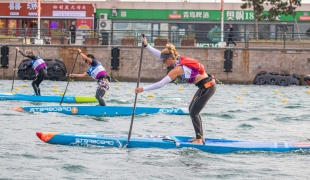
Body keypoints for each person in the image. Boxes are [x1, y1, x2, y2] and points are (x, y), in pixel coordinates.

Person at [135, 37, 216, 144]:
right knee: (192, 110)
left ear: (169, 59)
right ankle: (200, 137)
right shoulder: (178, 59)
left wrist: (143, 89)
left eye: (164, 61)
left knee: (194, 112)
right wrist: (146, 45)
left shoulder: (177, 69)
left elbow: (161, 84)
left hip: (208, 86)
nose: (163, 63)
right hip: (204, 86)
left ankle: (199, 140)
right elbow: (159, 54)